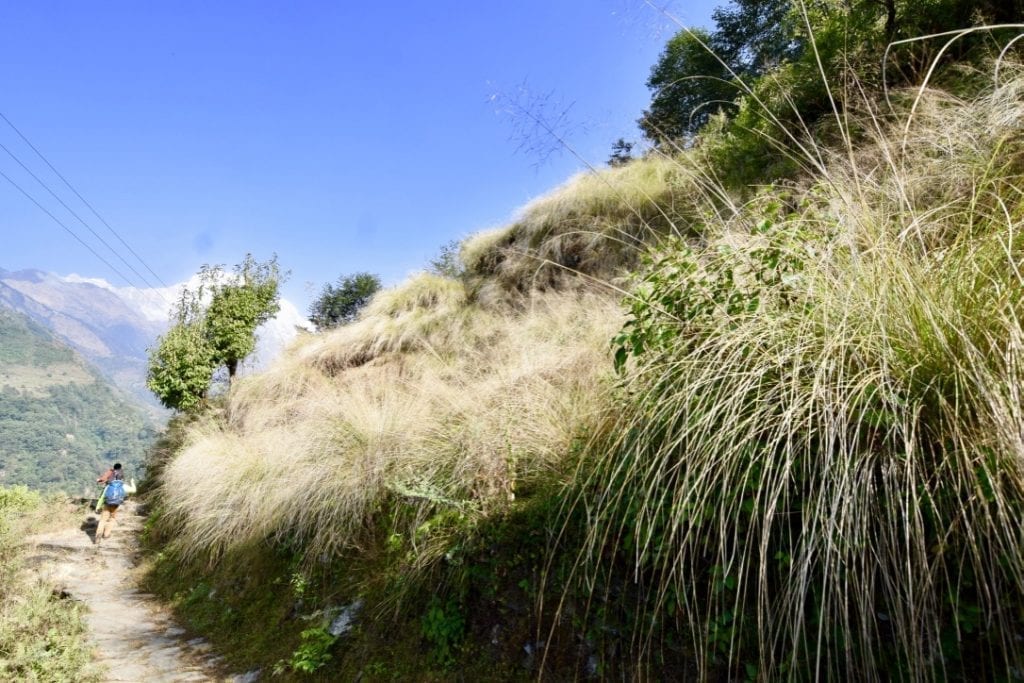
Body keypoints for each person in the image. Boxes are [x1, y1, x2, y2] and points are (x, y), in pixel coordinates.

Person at [95, 462, 125, 544]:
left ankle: (98, 535)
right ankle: (106, 534)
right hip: (116, 502)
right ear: (120, 467)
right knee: (112, 519)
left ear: (114, 467)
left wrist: (99, 480)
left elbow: (103, 479)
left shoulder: (110, 472)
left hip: (108, 501)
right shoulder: (121, 474)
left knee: (103, 519)